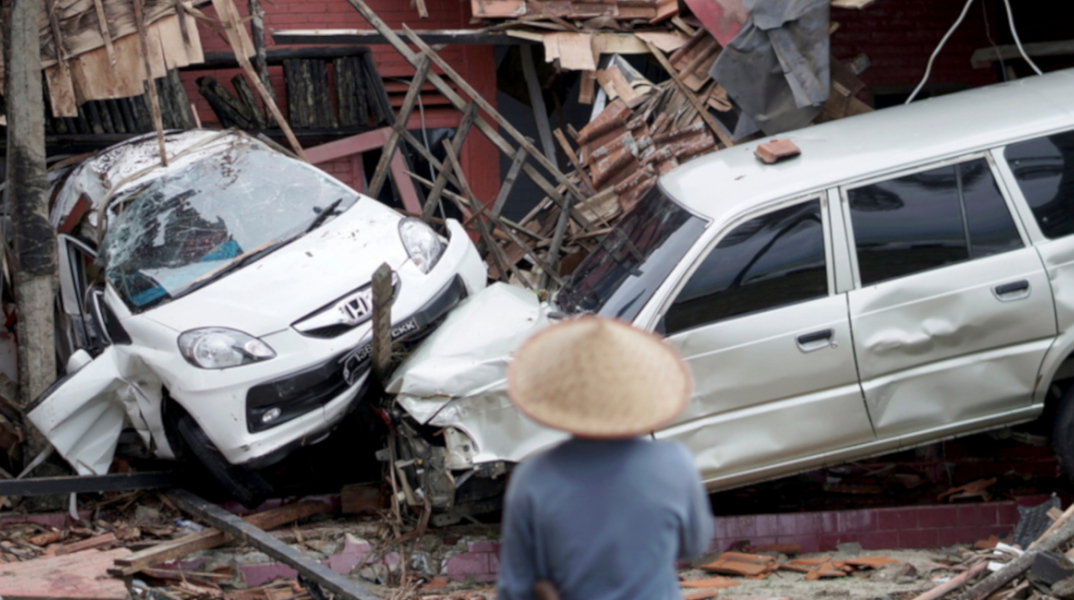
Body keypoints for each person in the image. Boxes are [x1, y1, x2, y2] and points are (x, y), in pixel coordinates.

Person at [496, 316, 715, 600]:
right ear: (640, 393)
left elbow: (516, 588)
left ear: (561, 398)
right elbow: (693, 545)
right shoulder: (675, 463)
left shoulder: (533, 478)